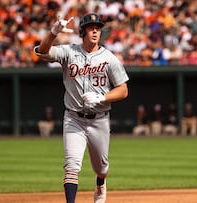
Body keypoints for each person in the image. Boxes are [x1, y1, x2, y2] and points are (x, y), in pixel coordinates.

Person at [34, 13, 129, 203]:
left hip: (100, 119)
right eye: (91, 27)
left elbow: (123, 90)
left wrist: (102, 97)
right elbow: (42, 51)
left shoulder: (109, 58)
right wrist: (53, 32)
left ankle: (100, 182)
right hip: (73, 118)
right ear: (82, 31)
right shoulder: (69, 51)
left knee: (101, 168)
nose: (95, 31)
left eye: (98, 28)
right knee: (72, 165)